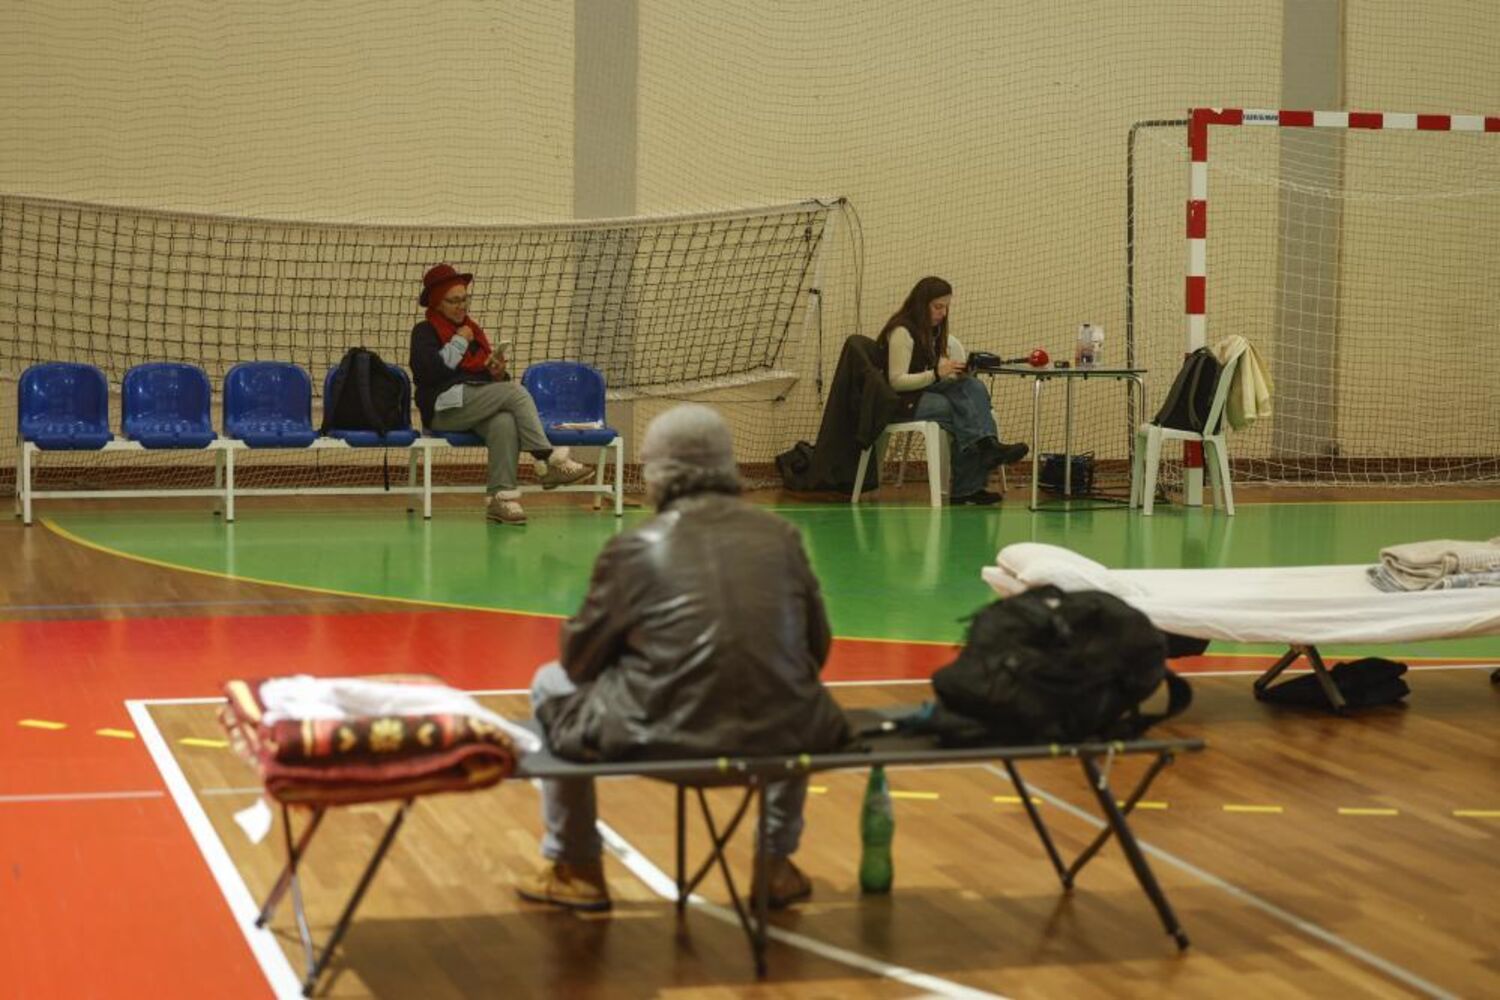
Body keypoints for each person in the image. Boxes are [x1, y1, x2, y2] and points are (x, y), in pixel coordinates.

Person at [518, 404, 851, 913]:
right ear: (727, 464)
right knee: (788, 687)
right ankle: (775, 864)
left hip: (661, 739)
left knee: (549, 681)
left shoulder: (633, 548)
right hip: (783, 736)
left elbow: (579, 663)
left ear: (657, 470)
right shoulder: (781, 537)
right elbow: (816, 648)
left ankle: (576, 867)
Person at [408, 263, 592, 525]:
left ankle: (501, 499)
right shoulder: (425, 331)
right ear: (437, 303)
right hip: (443, 408)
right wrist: (459, 342)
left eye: (464, 299)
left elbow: (481, 378)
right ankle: (548, 458)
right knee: (515, 393)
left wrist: (496, 373)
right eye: (453, 301)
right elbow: (430, 373)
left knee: (504, 422)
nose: (461, 306)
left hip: (475, 402)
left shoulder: (473, 332)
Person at [877, 276, 1028, 505]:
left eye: (946, 307)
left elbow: (929, 370)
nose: (943, 313)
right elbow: (896, 382)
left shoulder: (932, 330)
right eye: (938, 307)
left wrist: (952, 371)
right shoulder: (902, 331)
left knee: (973, 387)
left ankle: (984, 452)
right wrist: (936, 374)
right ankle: (970, 482)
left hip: (923, 390)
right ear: (921, 304)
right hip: (900, 400)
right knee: (962, 411)